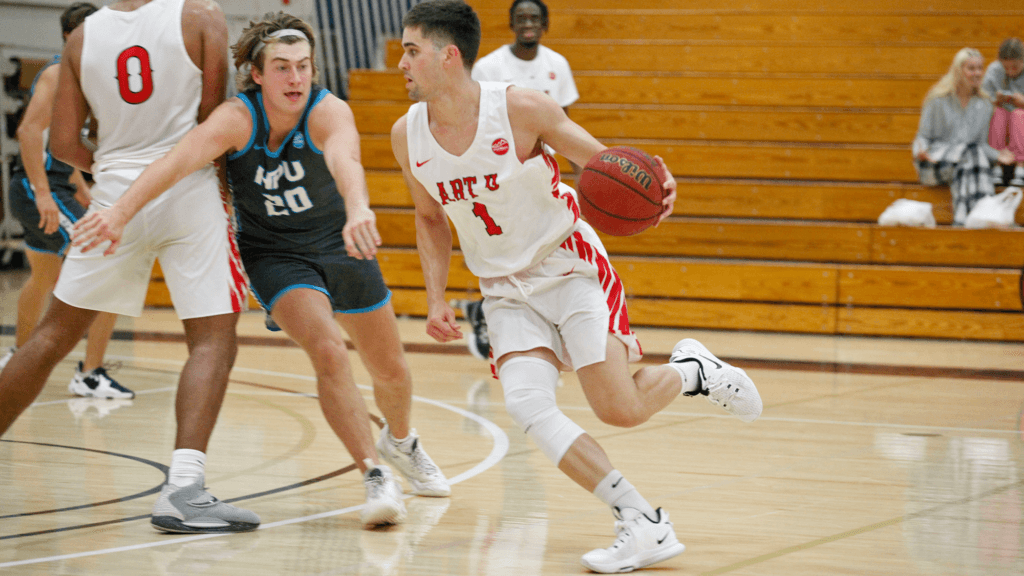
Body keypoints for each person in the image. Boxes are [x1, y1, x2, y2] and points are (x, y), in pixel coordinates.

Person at [391, 1, 763, 572]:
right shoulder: (406, 135)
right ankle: (640, 520)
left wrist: (658, 184)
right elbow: (429, 219)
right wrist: (437, 297)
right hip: (504, 290)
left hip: (569, 265)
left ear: (449, 56)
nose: (401, 63)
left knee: (619, 409)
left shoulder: (519, 108)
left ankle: (695, 374)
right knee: (525, 404)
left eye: (411, 51)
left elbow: (608, 166)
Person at [72, 12, 450, 527]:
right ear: (257, 73)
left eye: (304, 67)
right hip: (274, 255)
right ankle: (374, 475)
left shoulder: (328, 110)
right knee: (329, 351)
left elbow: (347, 162)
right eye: (282, 68)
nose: (295, 79)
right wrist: (117, 211)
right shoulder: (236, 117)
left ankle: (402, 443)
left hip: (339, 244)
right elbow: (175, 162)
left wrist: (359, 207)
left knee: (392, 372)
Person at [0, 0, 261, 534]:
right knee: (213, 338)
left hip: (113, 193)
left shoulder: (82, 37)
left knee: (49, 338)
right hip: (188, 191)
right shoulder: (201, 16)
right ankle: (183, 490)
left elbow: (66, 142)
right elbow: (213, 124)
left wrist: (118, 167)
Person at [0, 2, 134, 401]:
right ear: (70, 37)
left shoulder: (84, 76)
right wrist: (44, 193)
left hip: (54, 186)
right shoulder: (58, 74)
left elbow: (60, 140)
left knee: (41, 278)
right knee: (110, 264)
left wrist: (79, 184)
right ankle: (89, 373)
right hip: (36, 188)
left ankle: (17, 356)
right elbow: (28, 133)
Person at [456, 0, 581, 361]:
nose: (528, 23)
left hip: (543, 178)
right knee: (505, 254)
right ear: (511, 23)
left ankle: (506, 320)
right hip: (500, 177)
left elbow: (564, 126)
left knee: (543, 255)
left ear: (545, 24)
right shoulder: (489, 66)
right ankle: (486, 314)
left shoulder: (557, 65)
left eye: (534, 18)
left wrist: (579, 177)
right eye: (521, 17)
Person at [912, 47, 1015, 225]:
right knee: (972, 155)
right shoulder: (937, 99)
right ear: (959, 71)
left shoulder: (984, 104)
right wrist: (921, 152)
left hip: (965, 163)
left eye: (980, 68)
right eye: (971, 68)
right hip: (935, 161)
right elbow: (923, 137)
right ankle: (986, 215)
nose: (977, 73)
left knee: (970, 157)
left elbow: (980, 145)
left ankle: (963, 222)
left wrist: (998, 155)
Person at [983, 38, 1024, 186]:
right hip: (1004, 120)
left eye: (1015, 67)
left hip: (1021, 119)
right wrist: (995, 100)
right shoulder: (994, 70)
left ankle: (1021, 165)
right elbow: (983, 100)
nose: (1010, 71)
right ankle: (997, 164)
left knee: (1019, 115)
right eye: (1006, 67)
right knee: (998, 114)